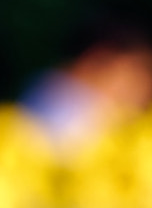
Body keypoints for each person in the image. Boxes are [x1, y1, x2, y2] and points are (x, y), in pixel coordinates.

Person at [20, 15, 152, 159]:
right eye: (137, 70)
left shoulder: (45, 87)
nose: (145, 86)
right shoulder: (70, 110)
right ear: (97, 58)